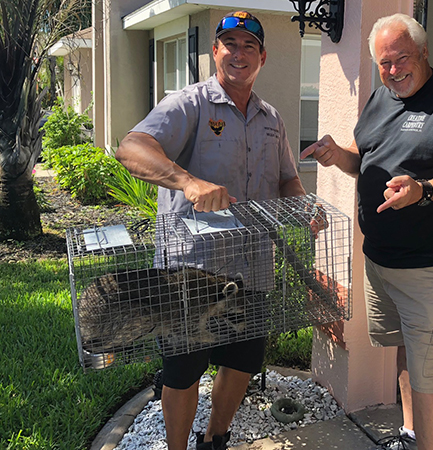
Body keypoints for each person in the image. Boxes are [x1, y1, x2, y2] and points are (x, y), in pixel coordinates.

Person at [300, 13, 433, 450]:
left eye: (401, 59)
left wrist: (423, 190)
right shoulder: (380, 99)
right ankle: (411, 435)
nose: (393, 70)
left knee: (430, 379)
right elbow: (363, 156)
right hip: (384, 263)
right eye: (384, 63)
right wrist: (338, 155)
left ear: (424, 52)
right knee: (408, 352)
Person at [115, 11, 307, 450]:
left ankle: (215, 438)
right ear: (215, 50)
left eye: (249, 47)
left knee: (242, 361)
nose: (239, 54)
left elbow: (287, 180)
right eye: (230, 44)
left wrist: (302, 205)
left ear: (263, 57)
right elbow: (132, 147)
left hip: (252, 266)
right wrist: (188, 181)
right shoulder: (190, 103)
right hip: (192, 272)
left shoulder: (270, 118)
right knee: (183, 369)